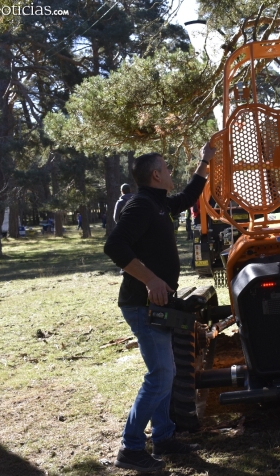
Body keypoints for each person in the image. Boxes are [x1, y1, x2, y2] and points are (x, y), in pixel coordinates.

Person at [104, 144, 214, 473]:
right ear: (156, 175)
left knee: (167, 374)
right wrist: (151, 280)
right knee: (161, 375)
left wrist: (205, 162)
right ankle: (131, 448)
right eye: (166, 169)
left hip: (160, 304)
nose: (169, 173)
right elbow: (114, 246)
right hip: (142, 304)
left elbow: (188, 196)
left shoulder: (159, 204)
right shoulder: (140, 205)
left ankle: (164, 438)